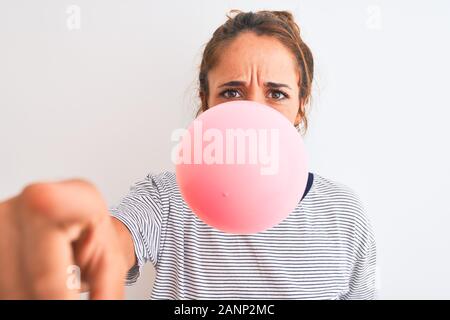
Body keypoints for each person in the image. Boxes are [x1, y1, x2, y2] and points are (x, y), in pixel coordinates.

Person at [0, 10, 376, 299]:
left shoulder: (343, 213)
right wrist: (49, 251)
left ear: (301, 106)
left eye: (277, 93)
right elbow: (107, 246)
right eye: (231, 91)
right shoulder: (166, 199)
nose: (254, 112)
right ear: (206, 102)